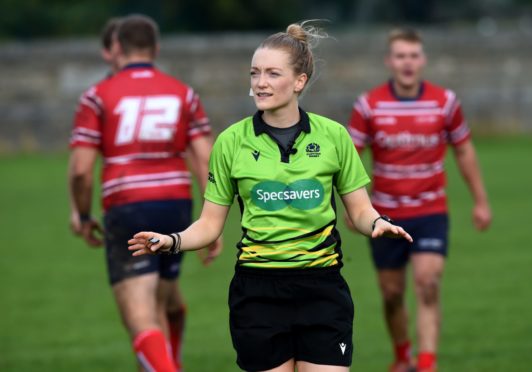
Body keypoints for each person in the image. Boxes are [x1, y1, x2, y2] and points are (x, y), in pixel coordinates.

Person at [128, 22, 413, 372]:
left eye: (272, 73)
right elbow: (209, 225)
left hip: (322, 289)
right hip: (258, 293)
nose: (260, 82)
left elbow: (360, 210)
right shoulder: (231, 142)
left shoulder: (334, 137)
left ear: (299, 82)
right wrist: (171, 241)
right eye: (255, 73)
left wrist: (379, 223)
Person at [68, 14, 221, 371]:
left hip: (129, 206)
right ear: (157, 48)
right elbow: (207, 159)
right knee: (160, 306)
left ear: (117, 47)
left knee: (140, 318)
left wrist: (84, 213)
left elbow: (79, 171)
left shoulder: (97, 96)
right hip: (176, 204)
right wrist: (211, 218)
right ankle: (172, 360)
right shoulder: (184, 93)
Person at [346, 29, 492, 372]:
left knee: (427, 282)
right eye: (400, 55)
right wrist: (354, 211)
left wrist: (480, 201)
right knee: (392, 293)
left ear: (422, 60)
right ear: (389, 61)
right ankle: (402, 357)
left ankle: (426, 364)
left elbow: (465, 151)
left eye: (413, 55)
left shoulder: (445, 102)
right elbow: (349, 161)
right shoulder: (369, 105)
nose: (407, 62)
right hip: (385, 216)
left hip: (430, 210)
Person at [69, 17, 120, 235]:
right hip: (123, 202)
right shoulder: (98, 98)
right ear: (107, 52)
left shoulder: (168, 92)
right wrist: (78, 210)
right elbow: (80, 163)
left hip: (166, 200)